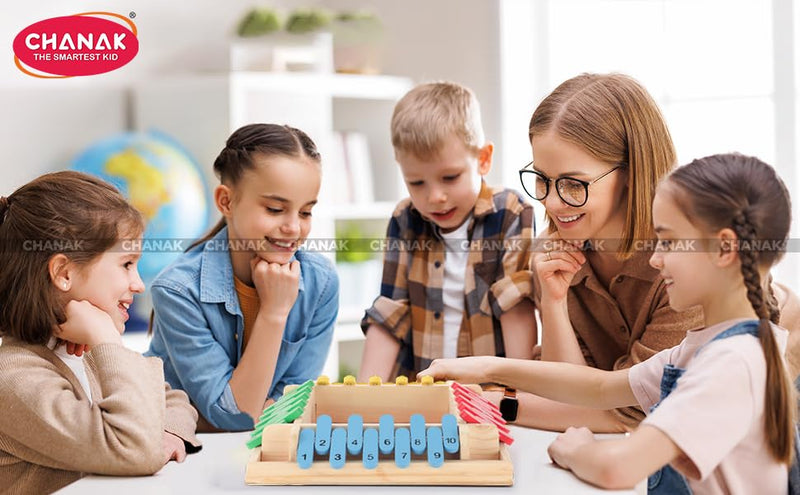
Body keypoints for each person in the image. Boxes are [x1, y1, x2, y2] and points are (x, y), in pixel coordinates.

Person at [421, 153, 796, 493]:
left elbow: (619, 470)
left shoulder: (731, 365)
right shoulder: (709, 347)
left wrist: (577, 450)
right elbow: (601, 388)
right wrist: (486, 367)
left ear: (724, 249)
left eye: (667, 242)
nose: (655, 260)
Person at [511, 72, 800, 431]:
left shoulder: (685, 266)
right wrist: (554, 304)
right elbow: (568, 392)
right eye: (542, 179)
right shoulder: (556, 253)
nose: (553, 203)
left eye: (574, 184)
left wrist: (506, 405)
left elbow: (640, 411)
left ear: (632, 172)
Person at [0, 171, 201, 494]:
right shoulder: (13, 379)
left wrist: (168, 433)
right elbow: (133, 448)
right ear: (64, 273)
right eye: (126, 264)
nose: (138, 284)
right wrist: (107, 340)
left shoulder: (85, 352)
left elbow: (172, 399)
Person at [146, 123, 339, 431]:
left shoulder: (321, 283)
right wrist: (274, 313)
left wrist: (249, 411)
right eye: (276, 209)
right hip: (183, 451)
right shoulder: (177, 291)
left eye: (305, 212)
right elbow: (237, 415)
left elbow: (294, 402)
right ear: (226, 202)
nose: (293, 227)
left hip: (256, 449)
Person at [357, 81, 537, 382]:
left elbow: (515, 308)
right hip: (421, 390)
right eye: (417, 183)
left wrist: (522, 394)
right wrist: (362, 396)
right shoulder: (405, 219)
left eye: (450, 177)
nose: (434, 197)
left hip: (489, 395)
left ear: (483, 159)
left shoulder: (510, 213)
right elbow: (390, 315)